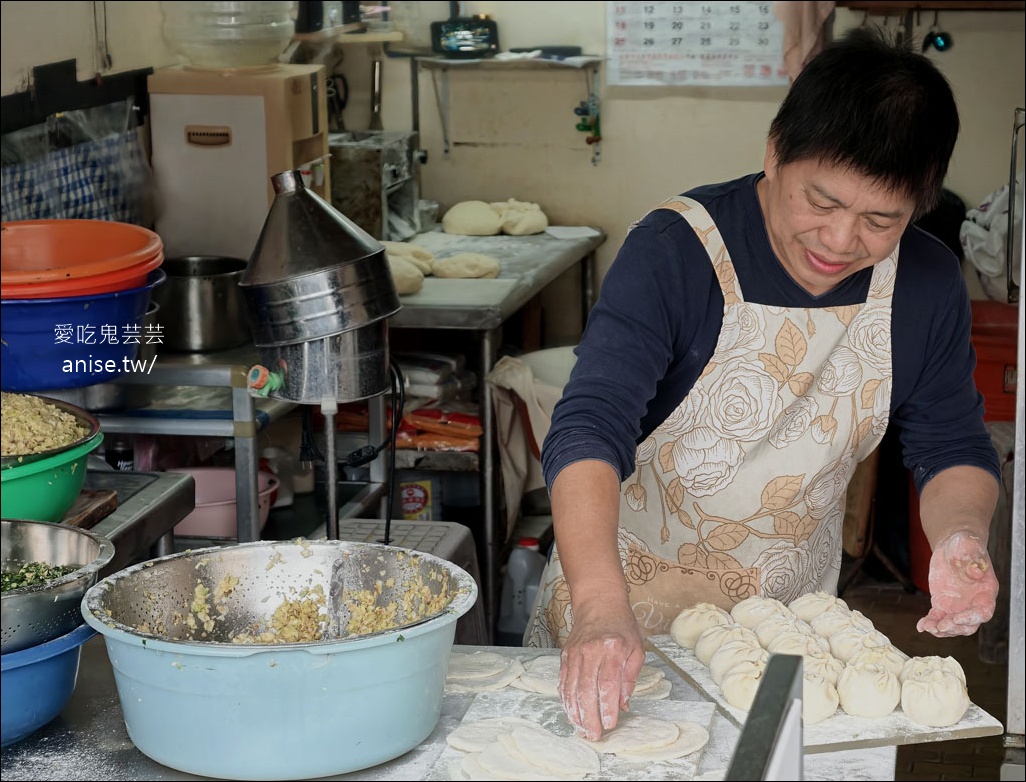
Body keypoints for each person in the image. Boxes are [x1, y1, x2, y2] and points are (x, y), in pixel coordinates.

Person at [526, 26, 1001, 742]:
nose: (841, 242)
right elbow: (590, 426)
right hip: (616, 611)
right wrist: (597, 605)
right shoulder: (677, 252)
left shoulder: (926, 285)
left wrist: (962, 539)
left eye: (881, 220)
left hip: (783, 638)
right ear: (775, 150)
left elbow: (950, 444)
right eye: (822, 201)